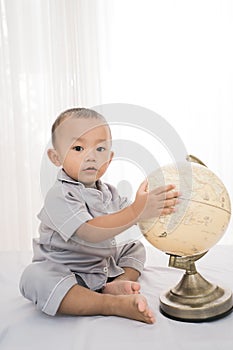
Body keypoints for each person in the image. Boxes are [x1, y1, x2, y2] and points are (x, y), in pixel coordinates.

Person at [19, 107, 180, 324]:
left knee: (134, 247)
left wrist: (154, 208)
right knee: (34, 278)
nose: (90, 156)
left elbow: (129, 221)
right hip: (66, 269)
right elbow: (90, 232)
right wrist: (136, 211)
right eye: (78, 148)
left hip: (101, 264)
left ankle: (116, 285)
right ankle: (109, 304)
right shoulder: (60, 195)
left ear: (110, 157)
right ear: (55, 157)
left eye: (100, 148)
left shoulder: (109, 192)